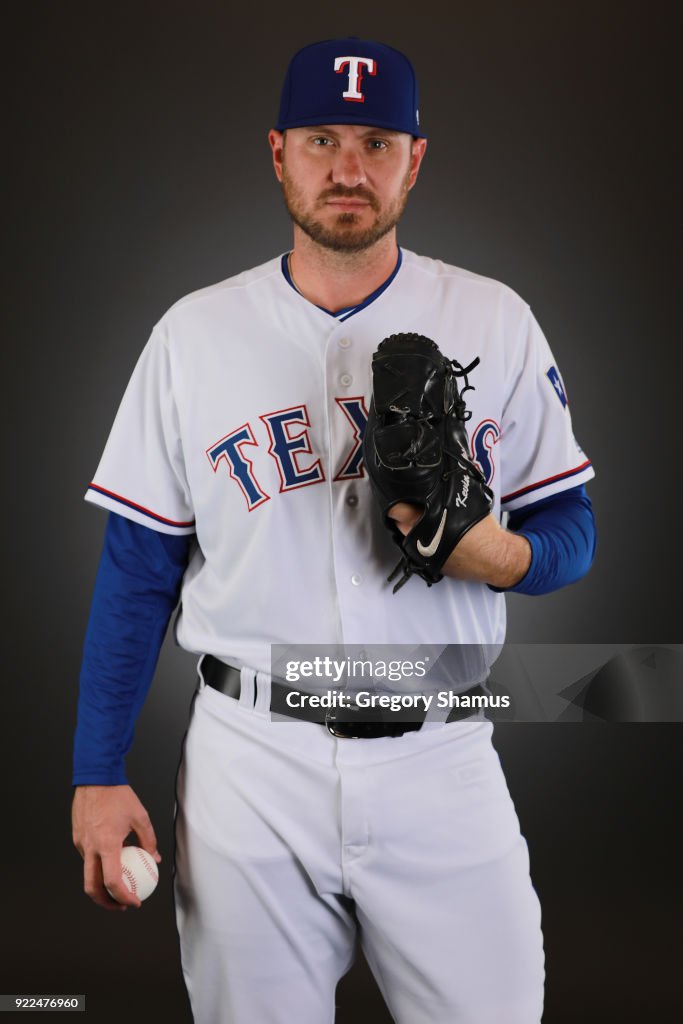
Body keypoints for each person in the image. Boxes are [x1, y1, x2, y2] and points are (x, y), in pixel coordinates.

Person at [72, 37, 597, 1024]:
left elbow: (573, 525)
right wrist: (97, 772)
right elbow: (138, 567)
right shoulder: (192, 334)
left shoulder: (494, 317)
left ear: (414, 158)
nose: (346, 168)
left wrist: (509, 556)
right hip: (247, 764)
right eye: (320, 139)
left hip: (439, 753)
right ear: (277, 152)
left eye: (373, 140)